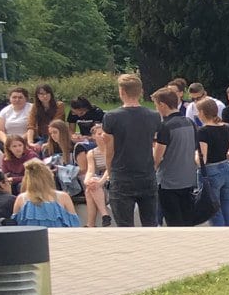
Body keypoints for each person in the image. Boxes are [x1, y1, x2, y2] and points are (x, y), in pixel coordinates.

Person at [103, 74, 162, 227]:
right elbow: (158, 145)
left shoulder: (111, 117)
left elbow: (109, 150)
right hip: (146, 174)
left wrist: (110, 172)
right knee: (150, 224)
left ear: (121, 91)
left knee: (125, 227)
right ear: (140, 92)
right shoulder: (154, 116)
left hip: (122, 174)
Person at [152, 85, 202, 225]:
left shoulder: (165, 127)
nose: (156, 109)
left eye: (156, 105)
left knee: (174, 223)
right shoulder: (190, 122)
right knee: (187, 220)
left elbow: (157, 158)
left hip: (169, 183)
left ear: (162, 105)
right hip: (188, 179)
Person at [195, 97, 229, 228]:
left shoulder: (203, 131)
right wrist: (222, 155)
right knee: (227, 207)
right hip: (226, 169)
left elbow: (202, 159)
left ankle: (220, 236)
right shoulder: (226, 128)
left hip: (210, 171)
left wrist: (194, 155)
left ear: (203, 113)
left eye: (198, 112)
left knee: (214, 209)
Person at [11, 158, 82, 228]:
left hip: (30, 239)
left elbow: (15, 228)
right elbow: (74, 226)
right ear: (49, 176)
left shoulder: (21, 199)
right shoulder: (64, 197)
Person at [76, 129, 109, 228]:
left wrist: (100, 182)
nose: (102, 136)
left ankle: (91, 223)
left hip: (110, 177)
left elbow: (109, 168)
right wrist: (87, 181)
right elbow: (90, 170)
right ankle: (104, 216)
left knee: (92, 186)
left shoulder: (112, 150)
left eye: (104, 133)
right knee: (90, 186)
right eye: (99, 134)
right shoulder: (92, 153)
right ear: (94, 136)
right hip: (99, 180)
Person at [30, 83, 62, 149]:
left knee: (45, 148)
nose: (45, 96)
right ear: (37, 96)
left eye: (47, 93)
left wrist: (49, 143)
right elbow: (31, 125)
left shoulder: (59, 105)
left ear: (51, 94)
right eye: (41, 94)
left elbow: (55, 124)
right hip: (41, 137)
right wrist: (30, 142)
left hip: (57, 136)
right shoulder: (35, 107)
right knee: (34, 149)